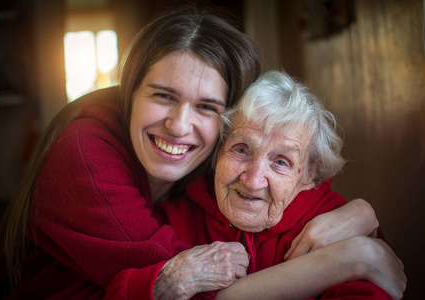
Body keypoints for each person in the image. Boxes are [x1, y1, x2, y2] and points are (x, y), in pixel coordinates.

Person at [0, 7, 395, 300]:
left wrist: (358, 213)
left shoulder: (218, 165)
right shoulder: (86, 150)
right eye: (163, 96)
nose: (179, 126)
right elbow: (186, 284)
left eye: (206, 107)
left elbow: (289, 171)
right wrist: (348, 258)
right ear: (130, 91)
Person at [149, 70, 406, 299]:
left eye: (281, 162)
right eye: (241, 149)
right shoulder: (167, 221)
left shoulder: (335, 226)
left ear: (308, 173)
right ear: (219, 151)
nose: (253, 180)